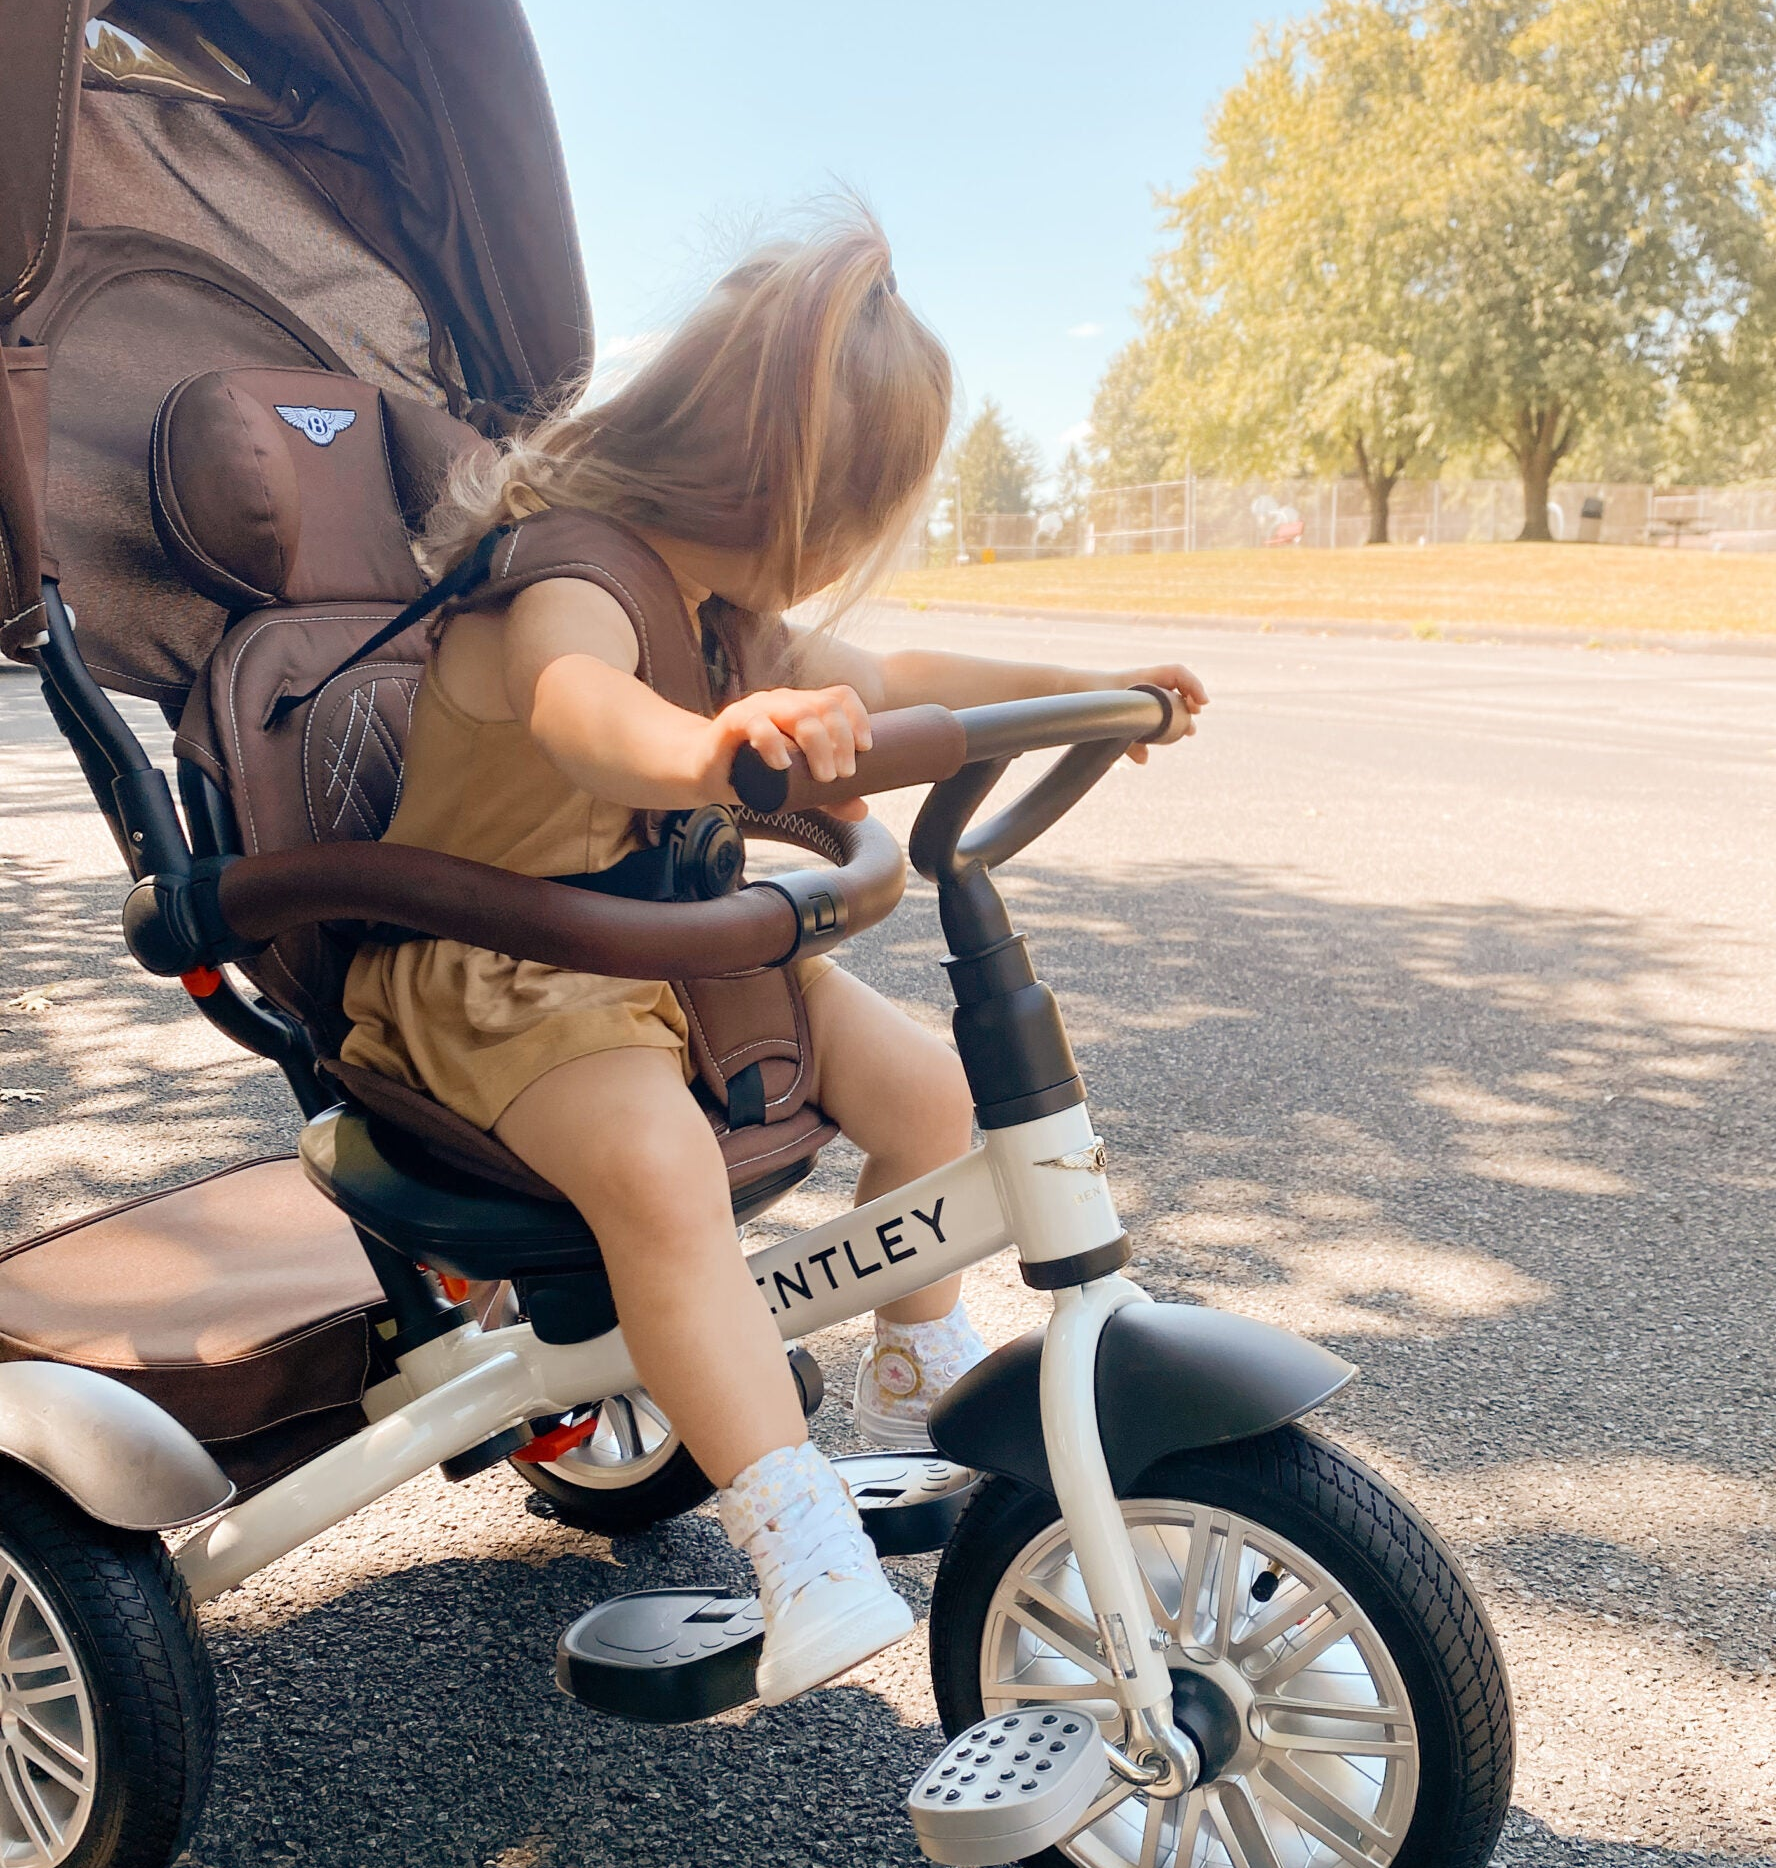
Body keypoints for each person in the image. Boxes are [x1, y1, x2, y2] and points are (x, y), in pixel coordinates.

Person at [339, 206, 1207, 1705]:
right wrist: (714, 744)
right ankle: (791, 1529)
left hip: (679, 944)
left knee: (935, 1104)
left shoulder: (729, 609)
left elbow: (896, 677)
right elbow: (575, 710)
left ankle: (913, 1359)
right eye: (860, 509)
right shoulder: (573, 579)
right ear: (780, 485)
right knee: (664, 1178)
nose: (851, 553)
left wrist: (1085, 683)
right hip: (509, 975)